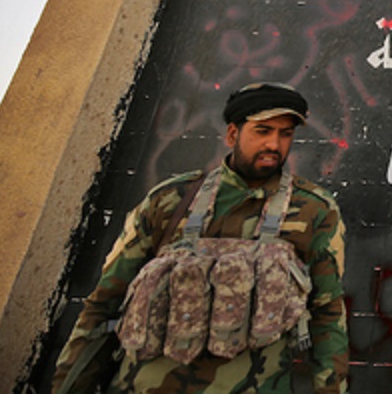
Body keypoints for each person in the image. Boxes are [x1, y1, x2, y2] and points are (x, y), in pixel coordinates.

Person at [51, 82, 349, 393]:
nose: (274, 144)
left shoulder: (314, 210)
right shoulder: (170, 201)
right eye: (262, 131)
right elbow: (103, 306)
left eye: (285, 134)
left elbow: (328, 317)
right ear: (233, 134)